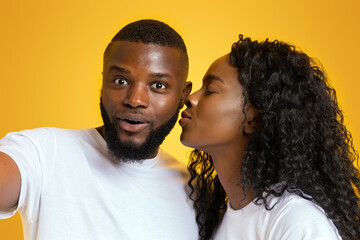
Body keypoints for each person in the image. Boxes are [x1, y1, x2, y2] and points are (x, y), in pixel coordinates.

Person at [0, 19, 197, 240]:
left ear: (183, 94)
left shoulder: (195, 193)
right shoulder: (46, 152)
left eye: (158, 86)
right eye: (121, 81)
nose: (135, 100)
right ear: (103, 83)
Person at [179, 35, 360, 240]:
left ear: (254, 120)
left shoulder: (296, 222)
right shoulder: (217, 218)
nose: (191, 98)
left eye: (210, 90)